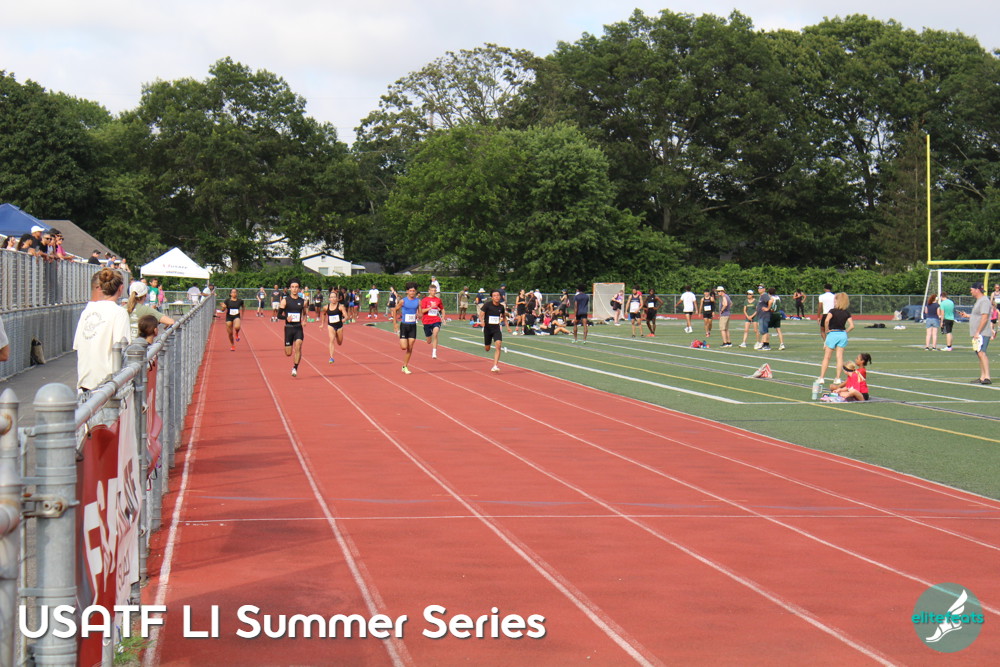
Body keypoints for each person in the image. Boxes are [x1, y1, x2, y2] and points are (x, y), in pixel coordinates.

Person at [73, 268, 130, 393]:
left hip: (85, 384)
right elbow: (123, 350)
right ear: (121, 288)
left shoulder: (87, 311)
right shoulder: (119, 313)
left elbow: (77, 345)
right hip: (107, 386)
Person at [818, 292, 855, 384]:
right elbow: (852, 326)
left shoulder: (832, 311)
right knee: (839, 357)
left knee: (827, 357)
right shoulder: (846, 313)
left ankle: (822, 377)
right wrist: (845, 332)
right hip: (842, 335)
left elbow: (826, 320)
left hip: (833, 334)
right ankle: (838, 378)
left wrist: (827, 330)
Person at [279, 280, 307, 377]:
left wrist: (304, 320)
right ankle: (292, 359)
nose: (294, 289)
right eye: (293, 287)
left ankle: (295, 367)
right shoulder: (285, 301)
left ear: (299, 289)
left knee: (298, 346)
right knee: (288, 353)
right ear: (290, 288)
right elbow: (279, 315)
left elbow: (304, 313)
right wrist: (286, 318)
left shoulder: (302, 301)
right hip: (289, 328)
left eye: (296, 287)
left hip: (298, 328)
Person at [969, 282, 994, 385]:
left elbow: (984, 318)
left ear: (977, 290)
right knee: (979, 354)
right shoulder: (979, 301)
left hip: (982, 332)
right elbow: (978, 316)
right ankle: (982, 376)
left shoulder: (984, 301)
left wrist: (978, 331)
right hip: (978, 333)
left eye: (971, 290)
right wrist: (967, 316)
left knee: (982, 353)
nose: (971, 292)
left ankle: (987, 377)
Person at [481, 289, 511, 372]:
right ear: (492, 297)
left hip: (496, 329)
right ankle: (488, 345)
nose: (497, 297)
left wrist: (507, 327)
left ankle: (495, 365)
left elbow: (504, 317)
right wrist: (482, 321)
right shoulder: (487, 305)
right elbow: (481, 315)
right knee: (487, 348)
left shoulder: (501, 307)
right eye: (495, 296)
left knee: (498, 344)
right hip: (487, 329)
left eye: (498, 295)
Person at [395, 282, 421, 374]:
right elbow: (395, 310)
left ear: (416, 292)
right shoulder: (403, 301)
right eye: (410, 291)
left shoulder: (418, 301)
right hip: (404, 325)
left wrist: (419, 315)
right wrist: (395, 324)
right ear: (407, 291)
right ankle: (400, 335)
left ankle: (405, 366)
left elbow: (420, 313)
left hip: (413, 326)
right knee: (404, 347)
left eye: (413, 291)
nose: (412, 292)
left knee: (410, 347)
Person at [323, 288, 349, 364]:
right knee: (331, 340)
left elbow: (346, 315)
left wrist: (345, 319)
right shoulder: (326, 307)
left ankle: (337, 335)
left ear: (337, 299)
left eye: (334, 297)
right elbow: (323, 314)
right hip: (331, 325)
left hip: (339, 326)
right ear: (329, 299)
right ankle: (331, 357)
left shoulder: (341, 307)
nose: (333, 299)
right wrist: (322, 324)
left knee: (339, 342)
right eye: (331, 297)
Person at [420, 283, 446, 358]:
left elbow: (442, 309)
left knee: (435, 333)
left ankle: (434, 352)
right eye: (432, 290)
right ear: (429, 291)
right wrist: (430, 307)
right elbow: (422, 311)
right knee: (428, 341)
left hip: (436, 320)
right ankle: (429, 337)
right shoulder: (425, 300)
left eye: (435, 291)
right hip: (426, 321)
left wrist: (443, 317)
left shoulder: (438, 300)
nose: (433, 292)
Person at [754, 284, 772, 351]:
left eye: (761, 288)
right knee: (764, 331)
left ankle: (766, 345)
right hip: (761, 315)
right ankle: (765, 344)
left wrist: (768, 308)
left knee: (763, 331)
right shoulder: (761, 296)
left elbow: (770, 301)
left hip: (764, 315)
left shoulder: (764, 295)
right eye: (758, 288)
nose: (759, 289)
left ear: (764, 289)